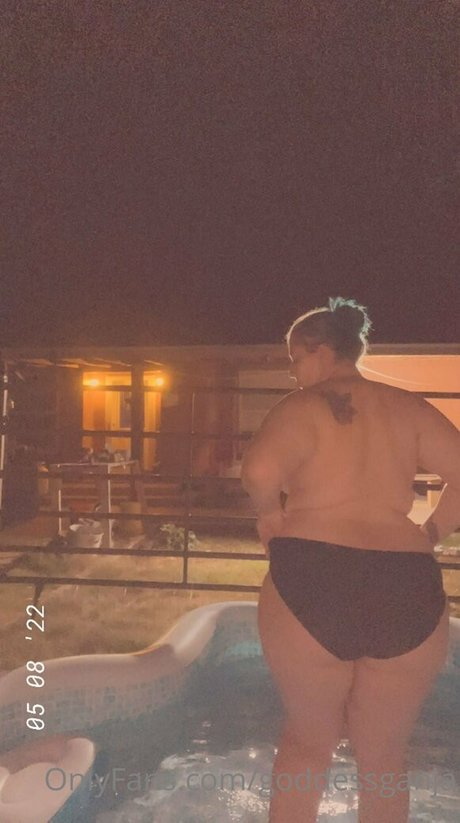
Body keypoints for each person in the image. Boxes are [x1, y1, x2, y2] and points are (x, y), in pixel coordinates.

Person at [241, 296, 460, 823]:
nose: (294, 373)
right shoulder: (407, 408)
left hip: (313, 573)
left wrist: (269, 515)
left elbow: (260, 471)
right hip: (406, 582)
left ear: (319, 351)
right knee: (383, 755)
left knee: (308, 744)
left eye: (295, 360)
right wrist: (431, 531)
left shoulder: (301, 407)